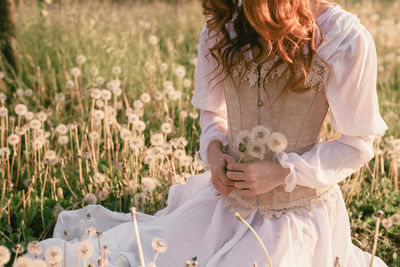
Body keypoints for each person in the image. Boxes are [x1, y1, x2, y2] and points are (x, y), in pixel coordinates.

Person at [30, 0, 389, 266]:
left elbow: (357, 143)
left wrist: (283, 172)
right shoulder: (223, 26)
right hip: (226, 206)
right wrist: (215, 151)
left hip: (298, 216)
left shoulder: (343, 39)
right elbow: (212, 112)